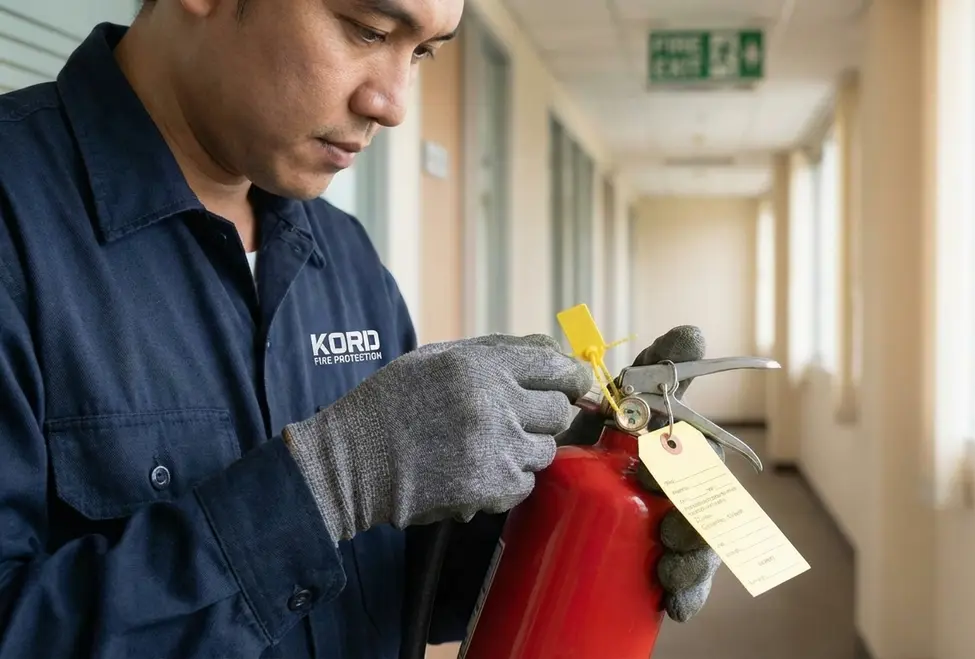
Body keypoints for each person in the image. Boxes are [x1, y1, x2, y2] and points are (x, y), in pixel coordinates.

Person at [0, 0, 723, 657]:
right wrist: (323, 485)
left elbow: (396, 585)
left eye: (422, 52)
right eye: (368, 31)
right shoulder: (16, 223)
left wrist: (571, 497)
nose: (393, 104)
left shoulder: (343, 253)